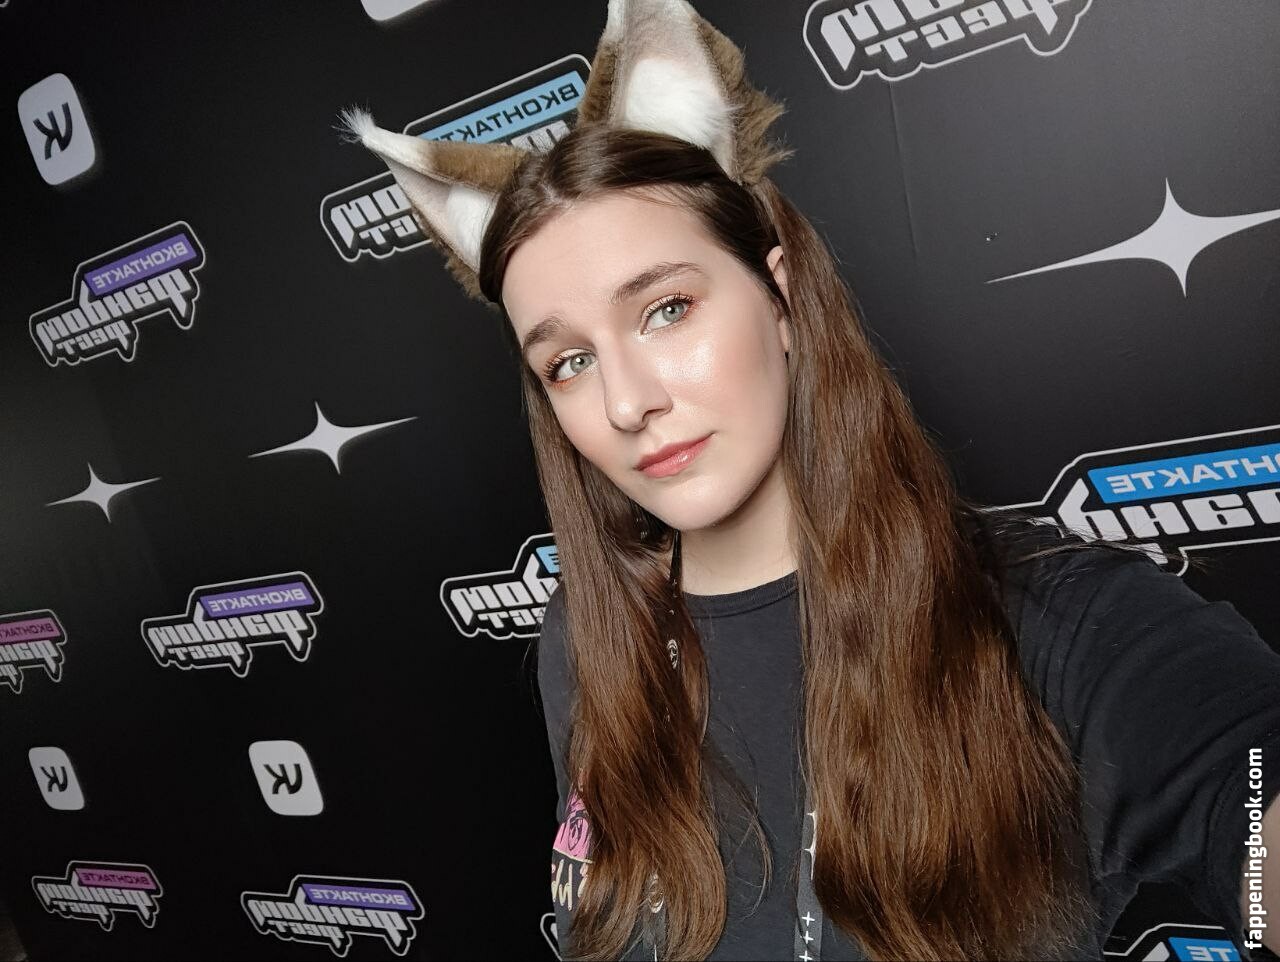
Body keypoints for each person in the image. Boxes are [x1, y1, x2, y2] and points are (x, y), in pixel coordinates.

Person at [338, 2, 1280, 959]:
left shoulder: (1055, 623)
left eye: (666, 309)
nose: (626, 402)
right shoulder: (586, 639)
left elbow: (1245, 788)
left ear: (779, 296)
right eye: (568, 362)